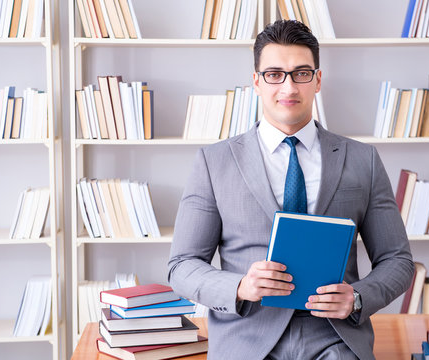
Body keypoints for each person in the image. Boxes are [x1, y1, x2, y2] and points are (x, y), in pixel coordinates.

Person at [168, 20, 414, 360]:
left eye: (301, 73)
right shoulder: (214, 162)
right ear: (256, 81)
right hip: (246, 337)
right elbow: (181, 265)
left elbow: (398, 260)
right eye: (274, 74)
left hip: (334, 338)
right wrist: (239, 286)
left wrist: (357, 297)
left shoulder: (363, 159)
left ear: (317, 80)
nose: (288, 87)